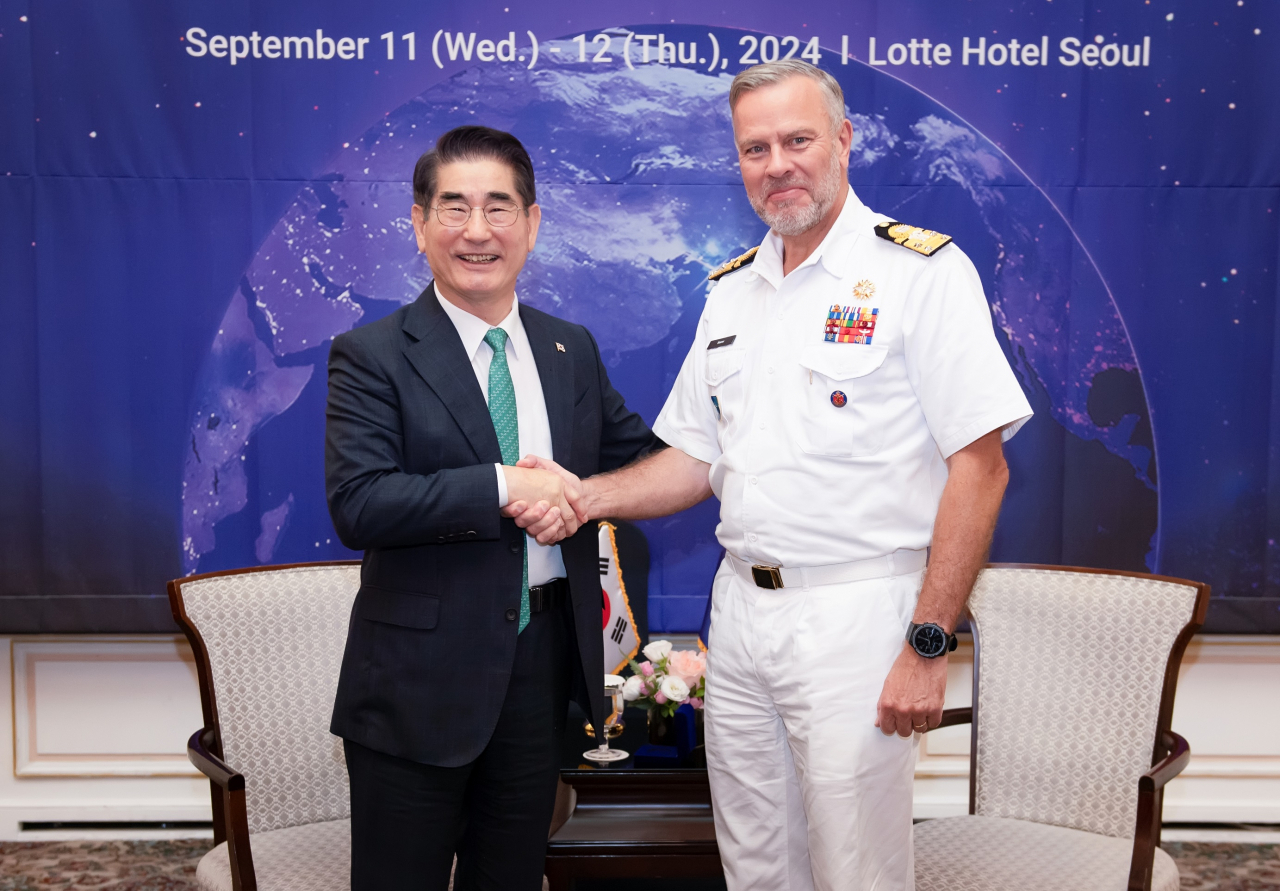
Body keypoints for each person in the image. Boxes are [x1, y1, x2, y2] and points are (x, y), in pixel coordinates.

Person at [515, 61, 1033, 890]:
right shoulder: (732, 293)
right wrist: (583, 497)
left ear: (843, 141)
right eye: (755, 148)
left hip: (858, 617)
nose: (778, 164)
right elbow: (693, 459)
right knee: (754, 862)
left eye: (797, 140)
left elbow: (982, 466)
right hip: (744, 619)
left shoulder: (921, 275)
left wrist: (929, 642)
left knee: (854, 869)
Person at [324, 125, 657, 891]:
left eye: (499, 208)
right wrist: (508, 486)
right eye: (455, 207)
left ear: (533, 224)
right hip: (416, 687)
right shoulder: (371, 353)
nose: (478, 231)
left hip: (541, 673)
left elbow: (641, 463)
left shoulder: (569, 348)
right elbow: (359, 501)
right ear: (418, 223)